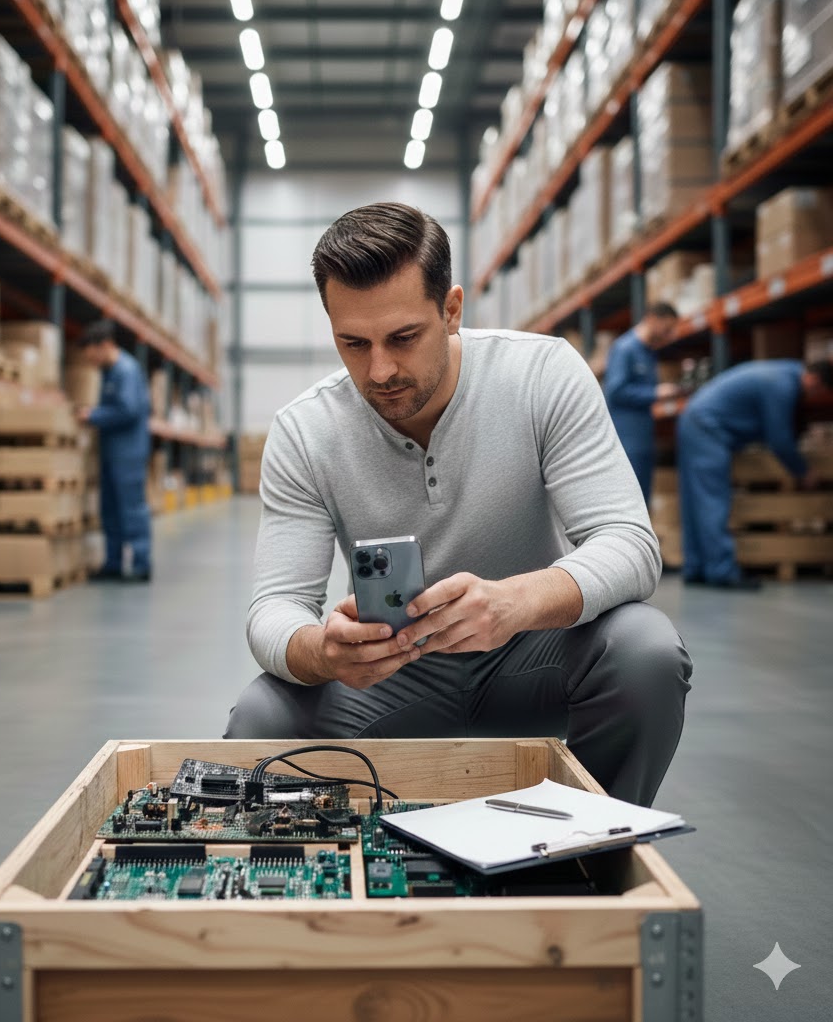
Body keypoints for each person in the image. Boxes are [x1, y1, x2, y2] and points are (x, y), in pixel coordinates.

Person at [223, 203, 692, 808]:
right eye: (353, 343)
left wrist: (515, 603)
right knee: (260, 719)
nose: (380, 369)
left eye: (403, 338)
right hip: (390, 676)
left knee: (645, 653)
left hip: (532, 650)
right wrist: (324, 652)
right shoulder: (305, 432)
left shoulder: (541, 375)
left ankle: (591, 848)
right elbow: (276, 606)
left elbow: (629, 543)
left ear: (451, 310)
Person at [678, 358, 833, 590]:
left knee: (695, 500)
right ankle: (722, 572)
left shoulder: (785, 370)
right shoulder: (783, 385)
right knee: (712, 501)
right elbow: (779, 438)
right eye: (818, 391)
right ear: (814, 380)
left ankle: (696, 568)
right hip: (707, 427)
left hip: (694, 420)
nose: (812, 396)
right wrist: (803, 471)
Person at [76, 320, 152, 582]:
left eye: (93, 355)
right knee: (109, 510)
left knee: (131, 508)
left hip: (128, 453)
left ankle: (141, 564)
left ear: (106, 346)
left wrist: (93, 415)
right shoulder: (110, 372)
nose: (92, 362)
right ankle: (113, 563)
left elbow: (128, 410)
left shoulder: (126, 371)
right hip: (112, 452)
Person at [602, 303, 683, 504]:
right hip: (626, 441)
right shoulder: (625, 348)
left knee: (643, 501)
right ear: (652, 319)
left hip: (643, 439)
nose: (669, 334)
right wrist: (655, 392)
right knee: (628, 502)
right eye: (667, 328)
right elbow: (615, 391)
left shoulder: (648, 353)